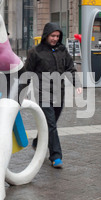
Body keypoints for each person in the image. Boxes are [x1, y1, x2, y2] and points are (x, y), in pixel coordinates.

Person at [24, 22, 83, 169]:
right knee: (51, 124)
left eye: (57, 36)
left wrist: (78, 84)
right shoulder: (35, 52)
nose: (55, 38)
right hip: (42, 93)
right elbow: (26, 74)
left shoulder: (62, 51)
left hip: (59, 92)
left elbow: (70, 68)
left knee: (51, 124)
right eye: (52, 36)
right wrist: (21, 92)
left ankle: (38, 141)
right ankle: (56, 156)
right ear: (46, 35)